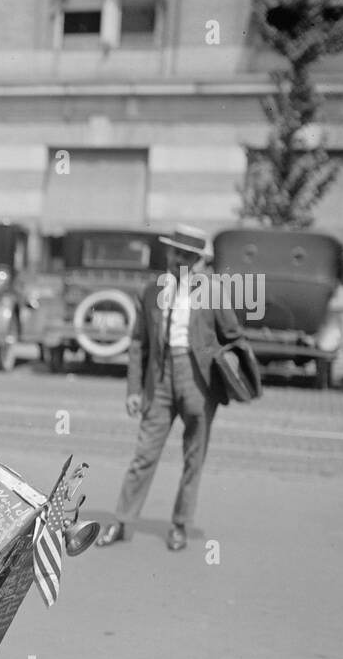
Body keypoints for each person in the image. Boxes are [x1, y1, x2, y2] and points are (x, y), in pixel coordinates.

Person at [96, 224, 245, 552]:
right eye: (173, 252)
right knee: (143, 455)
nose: (175, 258)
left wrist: (225, 368)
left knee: (194, 456)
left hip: (197, 382)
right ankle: (122, 522)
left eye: (184, 254)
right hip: (159, 381)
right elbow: (138, 344)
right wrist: (134, 390)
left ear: (196, 260)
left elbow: (233, 336)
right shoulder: (150, 291)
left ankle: (179, 525)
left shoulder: (213, 292)